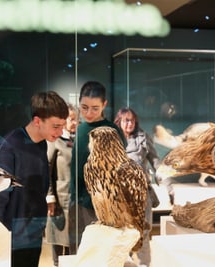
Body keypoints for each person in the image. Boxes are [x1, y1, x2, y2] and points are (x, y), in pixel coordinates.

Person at [0, 91, 69, 267]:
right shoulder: (9, 147)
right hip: (11, 238)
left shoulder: (41, 143)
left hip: (32, 231)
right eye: (55, 126)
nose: (61, 132)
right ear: (37, 121)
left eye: (62, 126)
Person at [68, 81, 126, 254]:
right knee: (79, 251)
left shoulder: (112, 130)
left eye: (95, 108)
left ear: (104, 105)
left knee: (100, 251)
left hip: (103, 204)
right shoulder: (80, 129)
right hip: (77, 200)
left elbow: (120, 169)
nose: (88, 113)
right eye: (84, 107)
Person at [114, 107, 160, 267]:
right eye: (126, 120)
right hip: (121, 195)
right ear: (119, 121)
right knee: (123, 232)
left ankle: (144, 264)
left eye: (132, 120)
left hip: (142, 194)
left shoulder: (143, 138)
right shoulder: (113, 140)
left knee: (143, 232)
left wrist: (167, 183)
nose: (130, 123)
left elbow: (156, 162)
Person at [45, 103, 79, 267]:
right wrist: (50, 198)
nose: (74, 123)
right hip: (60, 201)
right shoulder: (54, 141)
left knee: (76, 245)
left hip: (78, 202)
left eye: (76, 119)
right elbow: (46, 170)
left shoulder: (81, 140)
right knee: (58, 243)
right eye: (71, 119)